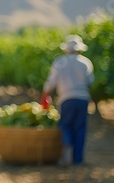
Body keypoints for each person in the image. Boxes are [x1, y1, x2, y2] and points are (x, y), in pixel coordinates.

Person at [41, 35, 94, 166]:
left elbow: (50, 83)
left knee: (65, 125)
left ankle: (66, 151)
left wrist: (45, 95)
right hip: (83, 98)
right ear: (80, 49)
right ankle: (78, 159)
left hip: (66, 99)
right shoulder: (86, 62)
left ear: (66, 49)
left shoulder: (59, 62)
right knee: (80, 128)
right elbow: (90, 81)